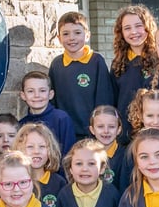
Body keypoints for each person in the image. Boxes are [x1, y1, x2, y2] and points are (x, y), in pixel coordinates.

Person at [49, 11, 114, 139]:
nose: (71, 38)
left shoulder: (96, 61)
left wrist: (99, 128)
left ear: (87, 35)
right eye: (66, 34)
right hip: (65, 133)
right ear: (59, 38)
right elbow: (52, 99)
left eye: (77, 33)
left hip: (91, 133)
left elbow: (104, 98)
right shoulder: (57, 64)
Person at [110, 4, 157, 143]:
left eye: (138, 26)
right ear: (121, 33)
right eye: (127, 28)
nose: (134, 32)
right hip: (126, 135)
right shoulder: (118, 63)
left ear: (148, 27)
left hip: (154, 131)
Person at [19, 71, 76, 156]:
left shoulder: (61, 119)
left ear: (51, 94)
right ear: (23, 95)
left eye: (42, 90)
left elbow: (69, 154)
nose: (37, 95)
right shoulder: (21, 124)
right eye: (30, 91)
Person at [89, 105, 126, 191]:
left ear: (119, 129)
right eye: (100, 126)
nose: (106, 131)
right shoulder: (85, 154)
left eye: (111, 127)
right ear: (92, 130)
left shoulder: (126, 156)